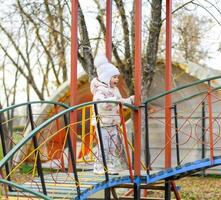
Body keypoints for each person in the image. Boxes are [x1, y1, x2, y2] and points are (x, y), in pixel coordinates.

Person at [90, 54, 134, 175]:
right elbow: (102, 104)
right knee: (104, 145)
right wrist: (116, 100)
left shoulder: (114, 90)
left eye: (117, 77)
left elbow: (120, 103)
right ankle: (99, 167)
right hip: (103, 122)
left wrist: (129, 100)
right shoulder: (99, 90)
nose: (117, 80)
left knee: (113, 145)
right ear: (106, 77)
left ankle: (111, 166)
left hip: (114, 122)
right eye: (114, 77)